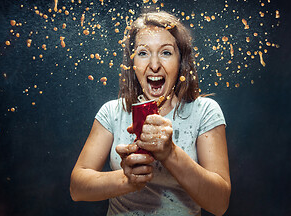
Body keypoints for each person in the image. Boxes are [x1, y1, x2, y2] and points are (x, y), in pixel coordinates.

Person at [70, 11, 231, 216]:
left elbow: (220, 204)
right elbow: (77, 189)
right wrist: (127, 179)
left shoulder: (205, 112)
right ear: (132, 62)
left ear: (181, 61)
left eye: (166, 52)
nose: (154, 66)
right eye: (143, 53)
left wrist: (170, 153)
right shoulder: (112, 112)